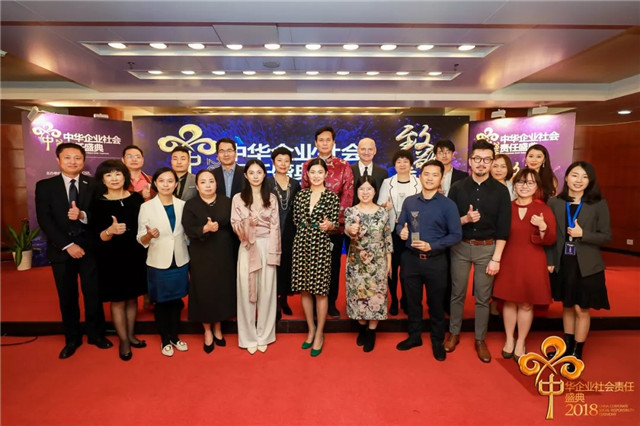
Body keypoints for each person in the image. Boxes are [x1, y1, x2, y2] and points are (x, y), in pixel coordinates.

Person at [35, 143, 112, 359]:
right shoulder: (45, 186)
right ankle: (72, 338)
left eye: (77, 158)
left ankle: (96, 335)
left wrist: (82, 215)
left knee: (93, 293)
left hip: (90, 249)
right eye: (67, 157)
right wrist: (68, 245)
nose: (73, 161)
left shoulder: (93, 184)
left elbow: (100, 216)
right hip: (62, 250)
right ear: (58, 160)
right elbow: (44, 220)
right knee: (67, 295)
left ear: (83, 160)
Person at [445, 140, 511, 363]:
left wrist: (496, 258)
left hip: (487, 249)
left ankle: (480, 339)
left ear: (492, 162)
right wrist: (465, 219)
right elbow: (448, 221)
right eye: (477, 159)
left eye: (487, 159)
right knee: (457, 293)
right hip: (461, 247)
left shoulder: (501, 191)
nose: (481, 163)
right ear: (470, 161)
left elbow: (504, 228)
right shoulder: (457, 188)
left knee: (483, 298)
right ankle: (454, 333)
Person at [395, 160, 462, 361]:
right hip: (411, 260)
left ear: (441, 178)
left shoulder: (448, 205)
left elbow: (456, 235)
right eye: (426, 174)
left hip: (436, 261)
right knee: (412, 302)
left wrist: (432, 246)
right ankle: (414, 336)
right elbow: (399, 224)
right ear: (420, 176)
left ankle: (437, 340)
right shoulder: (410, 201)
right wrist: (401, 232)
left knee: (436, 304)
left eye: (435, 175)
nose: (430, 178)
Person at [546, 162, 611, 363]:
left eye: (584, 176)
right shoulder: (555, 203)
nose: (579, 180)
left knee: (581, 308)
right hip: (564, 262)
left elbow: (606, 236)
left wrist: (583, 234)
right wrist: (550, 260)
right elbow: (551, 236)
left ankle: (577, 351)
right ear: (566, 178)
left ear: (590, 181)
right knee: (567, 306)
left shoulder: (598, 204)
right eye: (575, 175)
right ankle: (566, 347)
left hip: (587, 265)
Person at [492, 169, 556, 361]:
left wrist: (543, 227)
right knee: (509, 301)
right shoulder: (506, 207)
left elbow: (551, 239)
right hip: (509, 259)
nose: (524, 186)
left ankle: (521, 341)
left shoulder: (543, 209)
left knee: (527, 304)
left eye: (530, 183)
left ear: (537, 187)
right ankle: (509, 339)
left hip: (532, 261)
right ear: (514, 185)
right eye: (520, 182)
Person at [90, 160, 147, 361]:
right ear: (102, 180)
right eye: (109, 175)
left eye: (118, 174)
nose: (114, 178)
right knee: (117, 300)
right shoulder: (98, 202)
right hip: (111, 257)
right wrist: (110, 231)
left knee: (132, 298)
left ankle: (131, 335)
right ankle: (123, 340)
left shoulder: (136, 199)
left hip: (135, 255)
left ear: (125, 176)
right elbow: (96, 236)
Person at [301, 126, 354, 318]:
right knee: (312, 266)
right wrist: (314, 222)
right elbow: (304, 192)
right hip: (312, 229)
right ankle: (314, 303)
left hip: (334, 228)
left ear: (333, 142)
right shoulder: (307, 165)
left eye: (328, 140)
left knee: (332, 265)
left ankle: (330, 302)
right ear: (315, 143)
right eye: (321, 140)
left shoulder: (343, 165)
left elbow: (347, 195)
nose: (324, 143)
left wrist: (333, 221)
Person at [182, 169, 236, 354]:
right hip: (201, 253)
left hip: (223, 251)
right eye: (203, 182)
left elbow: (233, 225)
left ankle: (218, 327)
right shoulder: (191, 204)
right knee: (204, 291)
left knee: (221, 289)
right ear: (197, 186)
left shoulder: (226, 202)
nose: (208, 185)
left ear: (216, 184)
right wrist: (204, 229)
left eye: (211, 181)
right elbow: (188, 228)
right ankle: (207, 331)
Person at [137, 167, 190, 357]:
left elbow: (187, 233)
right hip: (158, 261)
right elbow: (140, 238)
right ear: (155, 184)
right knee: (161, 302)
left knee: (176, 301)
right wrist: (149, 236)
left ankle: (175, 336)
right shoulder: (146, 207)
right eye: (161, 181)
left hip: (180, 259)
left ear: (176, 184)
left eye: (170, 181)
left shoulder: (183, 205)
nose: (166, 184)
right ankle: (165, 339)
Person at [231, 160, 281, 354]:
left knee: (267, 291)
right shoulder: (238, 198)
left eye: (259, 172)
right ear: (245, 175)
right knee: (246, 291)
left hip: (267, 245)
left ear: (264, 174)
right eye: (251, 172)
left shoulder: (272, 198)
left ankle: (265, 335)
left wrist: (274, 253)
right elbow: (235, 225)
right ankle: (248, 336)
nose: (255, 176)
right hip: (247, 246)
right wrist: (247, 223)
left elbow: (275, 227)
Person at [292, 158, 340, 357]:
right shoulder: (301, 195)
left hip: (320, 245)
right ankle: (310, 330)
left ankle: (320, 333)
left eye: (320, 172)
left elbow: (335, 224)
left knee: (320, 291)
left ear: (326, 174)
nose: (316, 176)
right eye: (313, 172)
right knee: (304, 289)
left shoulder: (331, 197)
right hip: (302, 244)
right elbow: (296, 219)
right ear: (307, 174)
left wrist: (329, 226)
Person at [344, 176, 393, 352]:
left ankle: (371, 331)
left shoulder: (383, 212)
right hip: (356, 262)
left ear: (375, 191)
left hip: (378, 261)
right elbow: (349, 230)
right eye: (361, 189)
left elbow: (387, 237)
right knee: (357, 295)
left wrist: (389, 261)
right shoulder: (350, 212)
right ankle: (362, 326)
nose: (365, 192)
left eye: (369, 189)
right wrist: (352, 230)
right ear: (356, 191)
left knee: (376, 295)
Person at [378, 149, 421, 315]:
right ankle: (394, 300)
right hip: (391, 231)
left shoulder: (418, 182)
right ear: (394, 165)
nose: (402, 164)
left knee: (408, 269)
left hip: (412, 231)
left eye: (405, 161)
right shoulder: (387, 182)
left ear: (411, 164)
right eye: (398, 161)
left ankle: (406, 299)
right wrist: (385, 207)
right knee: (392, 268)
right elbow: (380, 206)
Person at [267, 147, 301, 319]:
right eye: (279, 160)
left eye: (286, 161)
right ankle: (274, 302)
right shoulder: (267, 182)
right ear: (273, 162)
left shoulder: (295, 184)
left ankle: (284, 299)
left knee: (287, 265)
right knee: (273, 266)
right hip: (270, 230)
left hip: (290, 231)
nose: (283, 164)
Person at [122, 144, 155, 311]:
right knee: (131, 267)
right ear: (123, 160)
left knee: (149, 264)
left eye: (137, 156)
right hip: (125, 230)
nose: (134, 159)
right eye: (130, 156)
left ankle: (149, 296)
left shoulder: (151, 180)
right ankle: (131, 299)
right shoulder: (118, 179)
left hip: (149, 230)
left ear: (143, 160)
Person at [350, 137, 388, 204]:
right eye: (363, 149)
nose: (366, 152)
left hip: (376, 209)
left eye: (370, 149)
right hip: (353, 209)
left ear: (375, 151)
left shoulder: (382, 173)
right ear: (358, 150)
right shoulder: (349, 170)